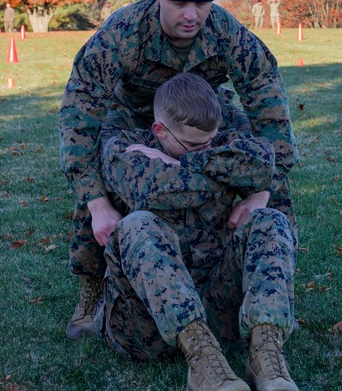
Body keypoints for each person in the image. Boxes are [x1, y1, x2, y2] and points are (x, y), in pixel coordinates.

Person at [59, 0, 298, 341]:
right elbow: (79, 115)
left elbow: (267, 101)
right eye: (178, 4)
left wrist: (262, 191)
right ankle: (92, 287)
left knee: (274, 183)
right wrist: (97, 204)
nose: (191, 16)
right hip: (135, 115)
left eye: (201, 4)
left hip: (202, 113)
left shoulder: (227, 33)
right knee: (102, 176)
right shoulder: (122, 33)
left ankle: (273, 289)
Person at [100, 73, 298, 391]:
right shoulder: (124, 148)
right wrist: (225, 172)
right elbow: (156, 191)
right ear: (159, 130)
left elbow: (263, 164)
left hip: (217, 304)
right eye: (193, 145)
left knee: (270, 220)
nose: (205, 148)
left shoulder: (215, 141)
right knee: (136, 225)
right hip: (144, 326)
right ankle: (202, 362)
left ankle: (266, 354)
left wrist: (181, 162)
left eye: (210, 142)